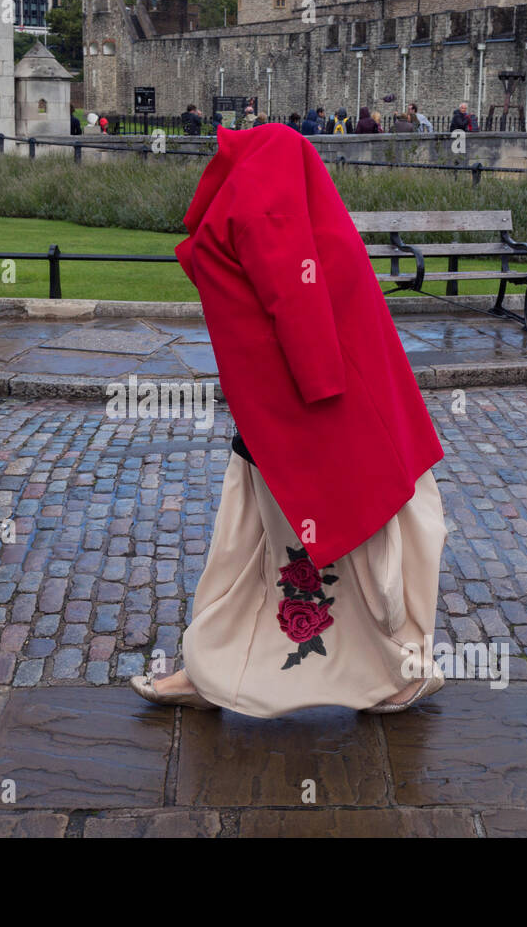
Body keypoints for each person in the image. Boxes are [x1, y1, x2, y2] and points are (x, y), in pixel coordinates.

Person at [142, 124, 449, 717]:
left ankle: (397, 670)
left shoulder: (267, 163)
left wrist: (316, 386)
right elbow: (293, 273)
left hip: (310, 407)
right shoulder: (276, 159)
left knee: (328, 545)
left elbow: (290, 279)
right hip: (296, 403)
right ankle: (211, 670)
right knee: (255, 536)